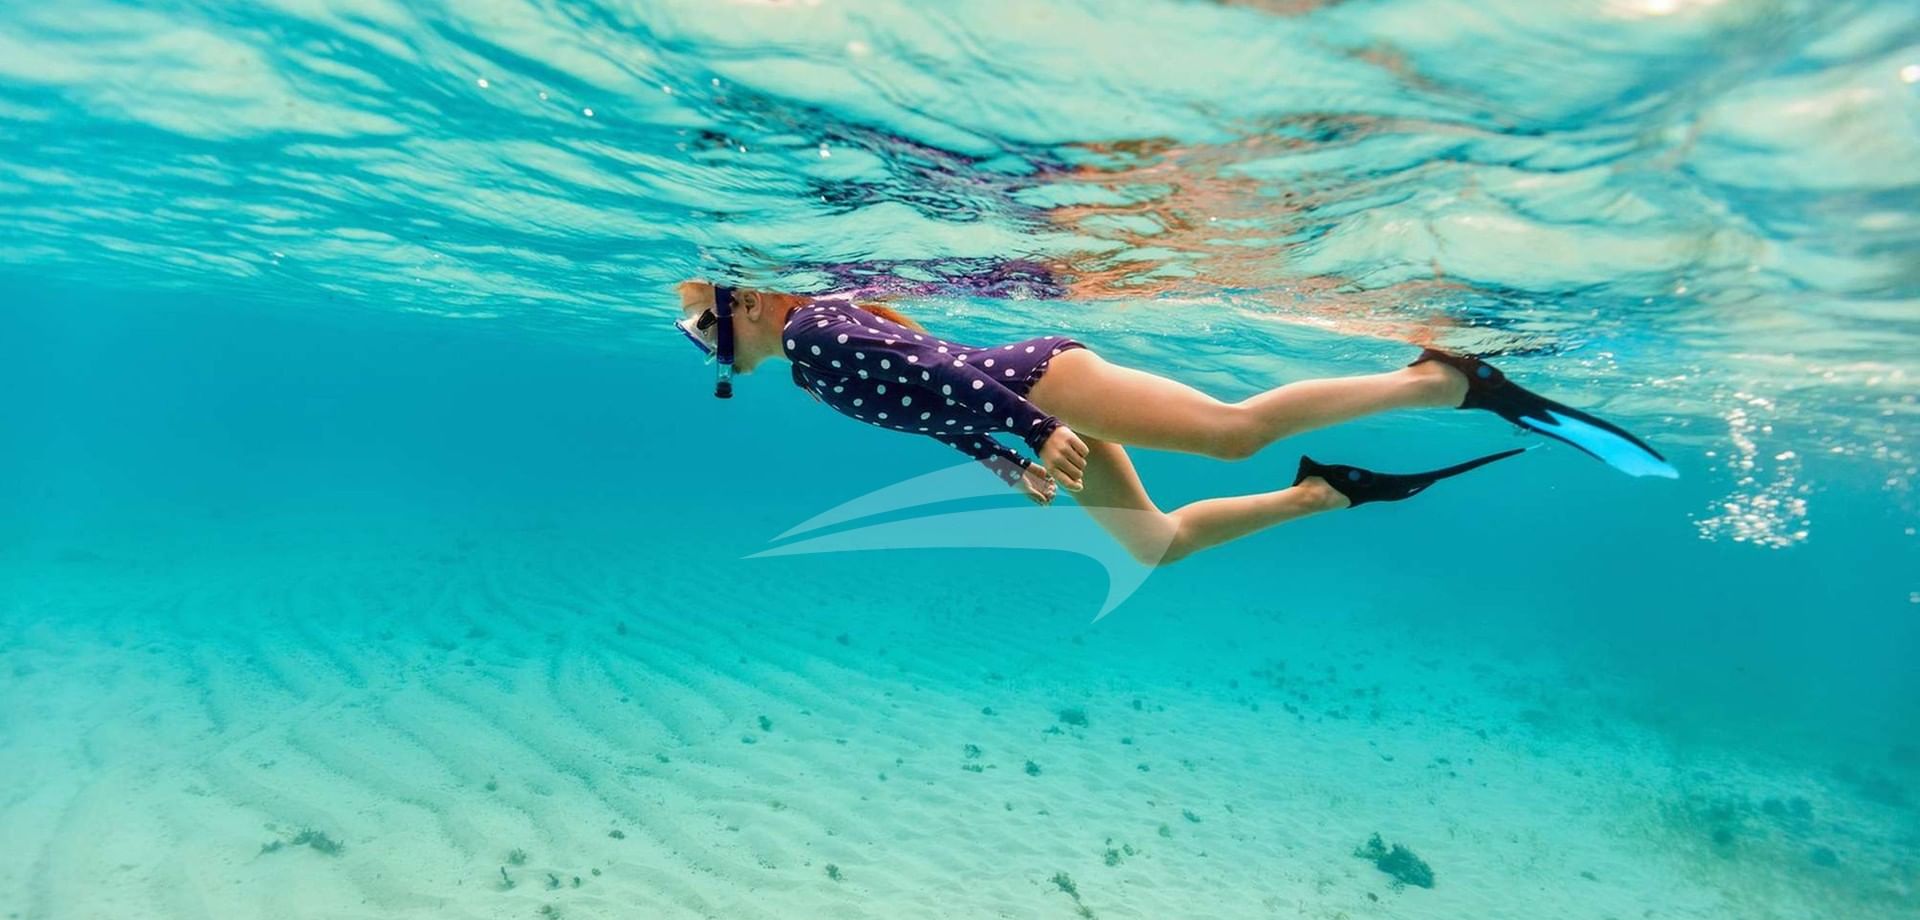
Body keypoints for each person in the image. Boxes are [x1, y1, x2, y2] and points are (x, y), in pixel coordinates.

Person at [673, 281, 1674, 565]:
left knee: (1230, 431)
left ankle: (1440, 382)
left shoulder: (817, 334)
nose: (715, 350)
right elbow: (926, 403)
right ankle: (1326, 492)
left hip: (1042, 386)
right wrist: (1002, 458)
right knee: (1151, 547)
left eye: (711, 328)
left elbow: (940, 366)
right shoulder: (811, 365)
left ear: (750, 302)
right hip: (1030, 417)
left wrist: (1025, 427)